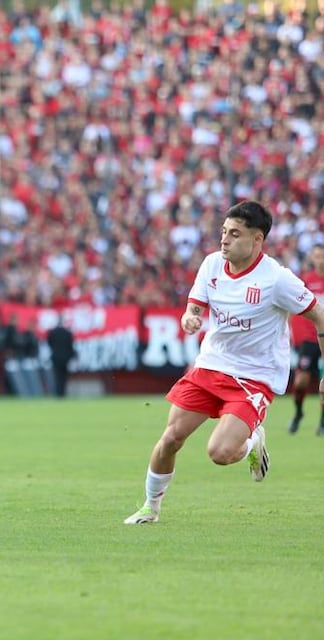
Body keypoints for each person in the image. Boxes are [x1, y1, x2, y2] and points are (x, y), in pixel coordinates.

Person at [124, 201, 324, 525]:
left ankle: (253, 442)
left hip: (253, 378)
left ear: (257, 240)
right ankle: (150, 507)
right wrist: (190, 317)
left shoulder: (277, 280)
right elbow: (195, 307)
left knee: (219, 453)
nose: (224, 240)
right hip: (210, 366)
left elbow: (319, 315)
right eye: (223, 232)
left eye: (234, 234)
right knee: (171, 438)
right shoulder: (212, 265)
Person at [287, 244, 324, 435]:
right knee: (301, 380)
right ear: (312, 258)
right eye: (317, 256)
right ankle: (298, 412)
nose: (321, 260)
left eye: (322, 256)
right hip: (310, 339)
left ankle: (323, 421)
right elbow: (292, 307)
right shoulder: (306, 281)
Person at [45, 314, 76, 398]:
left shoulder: (52, 332)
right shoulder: (67, 333)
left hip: (55, 357)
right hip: (65, 358)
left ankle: (58, 393)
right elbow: (71, 346)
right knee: (64, 376)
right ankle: (62, 393)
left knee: (57, 376)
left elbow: (49, 343)